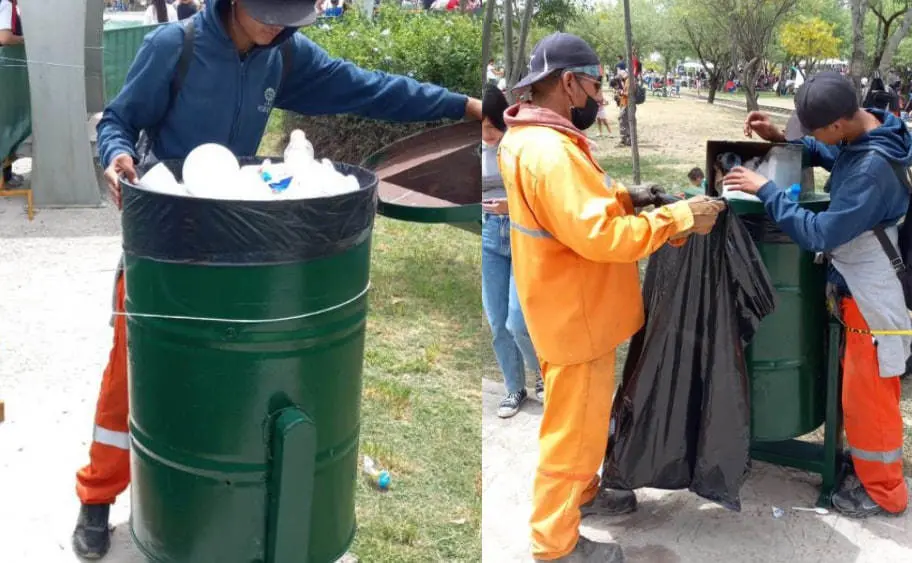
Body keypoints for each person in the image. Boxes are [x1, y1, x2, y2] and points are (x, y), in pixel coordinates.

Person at [74, 0, 482, 559]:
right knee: (133, 367)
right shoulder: (175, 47)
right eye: (268, 11)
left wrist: (465, 106)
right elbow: (118, 119)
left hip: (245, 252)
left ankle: (204, 503)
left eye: (288, 14)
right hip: (170, 243)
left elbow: (370, 89)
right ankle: (97, 495)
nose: (276, 24)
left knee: (228, 387)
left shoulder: (283, 55)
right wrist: (117, 154)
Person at [498, 32, 725, 562]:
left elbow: (573, 210)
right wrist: (680, 217)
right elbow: (602, 238)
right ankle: (555, 546)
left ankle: (583, 495)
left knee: (583, 422)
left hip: (570, 308)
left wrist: (627, 196)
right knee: (570, 435)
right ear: (569, 82)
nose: (601, 98)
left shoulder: (532, 139)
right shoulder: (549, 153)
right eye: (596, 86)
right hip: (575, 316)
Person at [728, 71, 912, 519]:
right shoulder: (870, 128)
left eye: (813, 131)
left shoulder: (872, 171)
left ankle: (885, 492)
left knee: (871, 397)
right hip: (856, 287)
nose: (811, 137)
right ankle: (867, 468)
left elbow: (818, 234)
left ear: (837, 124)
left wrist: (768, 190)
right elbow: (835, 155)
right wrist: (786, 140)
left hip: (870, 295)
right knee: (856, 393)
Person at [482, 85, 543, 419]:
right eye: (481, 128)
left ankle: (543, 377)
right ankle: (513, 387)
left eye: (492, 128)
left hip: (520, 231)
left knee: (518, 319)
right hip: (488, 233)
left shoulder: (519, 145)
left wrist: (512, 205)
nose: (486, 135)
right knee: (497, 322)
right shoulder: (473, 148)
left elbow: (538, 191)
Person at [1, 0, 24, 190]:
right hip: (6, 76)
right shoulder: (6, 5)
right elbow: (5, 38)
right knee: (7, 125)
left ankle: (6, 175)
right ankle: (5, 177)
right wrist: (26, 39)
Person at [613, 69, 631, 147]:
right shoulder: (627, 81)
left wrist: (621, 92)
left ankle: (624, 140)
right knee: (625, 121)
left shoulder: (629, 81)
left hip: (627, 104)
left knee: (622, 120)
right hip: (625, 103)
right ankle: (627, 140)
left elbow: (628, 93)